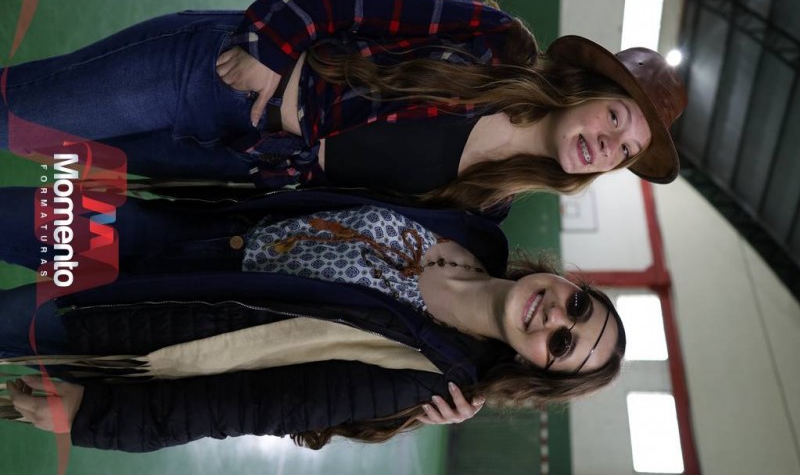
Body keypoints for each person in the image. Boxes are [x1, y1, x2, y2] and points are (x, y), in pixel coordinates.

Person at [1, 0, 687, 213]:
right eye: (617, 117)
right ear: (589, 88)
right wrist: (272, 45)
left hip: (219, 161)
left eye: (626, 152)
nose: (610, 146)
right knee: (20, 117)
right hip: (220, 77)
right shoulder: (499, 44)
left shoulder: (487, 203)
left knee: (49, 156)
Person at [0, 186, 625, 452]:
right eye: (577, 305)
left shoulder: (424, 375)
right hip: (172, 231)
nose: (555, 318)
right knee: (11, 216)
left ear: (536, 370)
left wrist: (93, 416)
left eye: (561, 346)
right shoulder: (472, 225)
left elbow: (252, 406)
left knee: (7, 319)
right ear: (569, 282)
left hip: (142, 319)